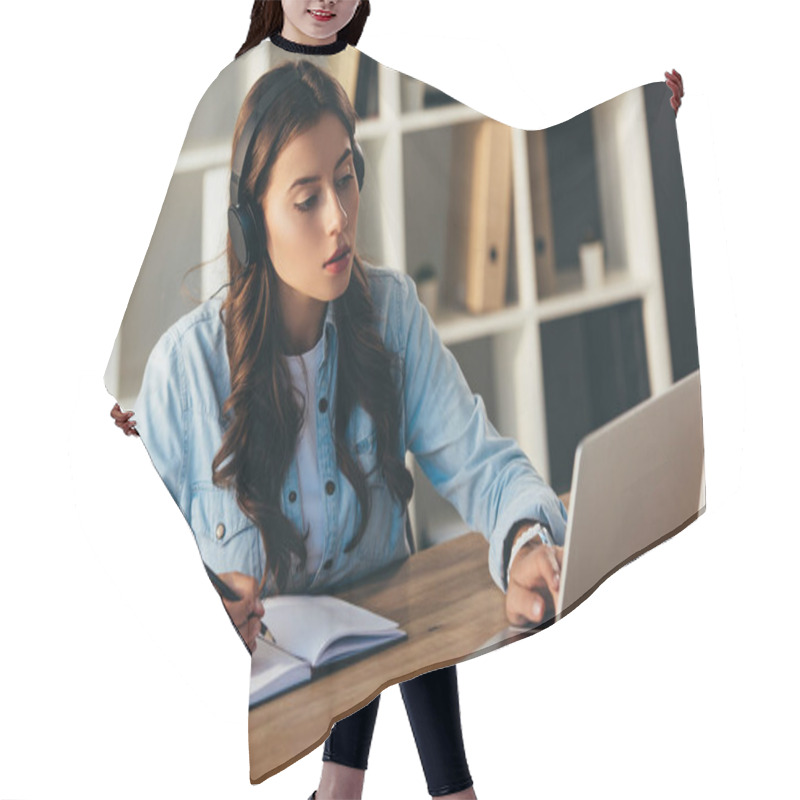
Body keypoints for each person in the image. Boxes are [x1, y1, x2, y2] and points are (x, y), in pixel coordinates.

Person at [109, 4, 685, 798]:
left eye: (345, 178)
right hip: (269, 708)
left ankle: (385, 786)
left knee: (393, 595)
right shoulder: (184, 373)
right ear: (254, 219)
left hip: (372, 641)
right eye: (306, 197)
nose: (341, 220)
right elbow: (116, 565)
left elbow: (481, 462)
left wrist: (522, 540)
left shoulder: (390, 312)